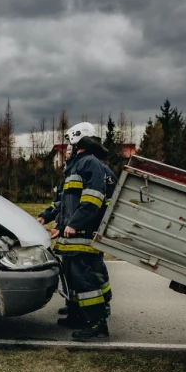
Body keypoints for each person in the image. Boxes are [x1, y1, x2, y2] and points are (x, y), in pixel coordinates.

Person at [55, 122, 113, 340]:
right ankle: (78, 316)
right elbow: (67, 202)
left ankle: (97, 323)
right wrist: (59, 225)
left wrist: (75, 224)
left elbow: (92, 199)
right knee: (74, 279)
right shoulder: (78, 165)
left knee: (85, 281)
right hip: (72, 236)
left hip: (81, 235)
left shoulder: (88, 163)